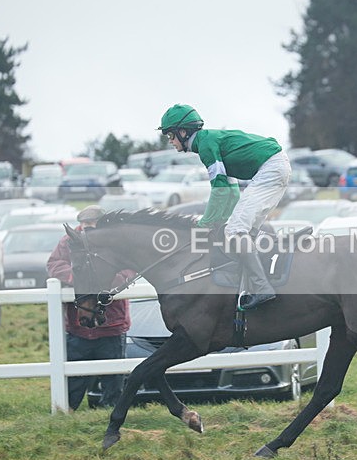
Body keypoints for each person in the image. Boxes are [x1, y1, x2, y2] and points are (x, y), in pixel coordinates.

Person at [157, 104, 291, 310]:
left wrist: (204, 224)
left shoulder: (205, 145)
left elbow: (219, 190)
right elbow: (231, 190)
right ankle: (251, 283)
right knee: (244, 231)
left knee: (236, 230)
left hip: (270, 168)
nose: (171, 141)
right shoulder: (209, 141)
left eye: (171, 136)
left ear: (183, 132)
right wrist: (219, 220)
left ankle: (262, 287)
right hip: (276, 166)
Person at [47, 205, 134, 410]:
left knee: (113, 380)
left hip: (111, 323)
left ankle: (110, 416)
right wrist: (76, 277)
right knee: (73, 380)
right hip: (79, 326)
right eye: (84, 224)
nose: (87, 228)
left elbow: (130, 268)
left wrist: (111, 279)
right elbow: (54, 264)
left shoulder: (117, 242)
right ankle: (66, 416)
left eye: (91, 224)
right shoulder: (68, 241)